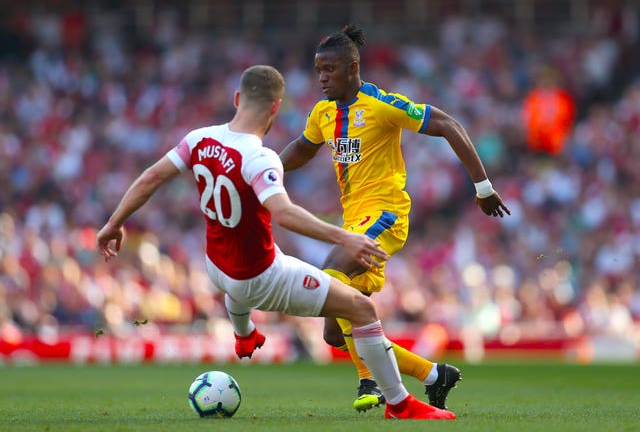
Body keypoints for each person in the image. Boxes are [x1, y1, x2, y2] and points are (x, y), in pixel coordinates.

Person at [96, 65, 455, 420]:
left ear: (237, 99)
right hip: (262, 277)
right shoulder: (259, 157)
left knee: (240, 274)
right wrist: (344, 236)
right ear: (275, 108)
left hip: (216, 267)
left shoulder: (198, 139)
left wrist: (114, 223)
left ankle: (244, 333)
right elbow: (284, 214)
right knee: (362, 309)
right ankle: (400, 404)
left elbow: (151, 177)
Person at [279, 24, 511, 412]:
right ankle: (434, 375)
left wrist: (483, 188)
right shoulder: (323, 113)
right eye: (318, 70)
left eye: (329, 70)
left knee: (329, 272)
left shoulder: (382, 104)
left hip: (386, 214)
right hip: (352, 220)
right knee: (336, 332)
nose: (321, 78)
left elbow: (448, 125)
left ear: (353, 68)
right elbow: (303, 149)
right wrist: (261, 172)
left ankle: (368, 381)